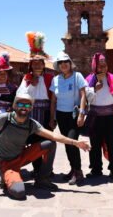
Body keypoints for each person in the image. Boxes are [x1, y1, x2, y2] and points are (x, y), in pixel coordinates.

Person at [17, 31, 55, 178]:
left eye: (40, 63)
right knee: (32, 142)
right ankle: (37, 168)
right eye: (35, 63)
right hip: (30, 115)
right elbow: (21, 96)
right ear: (31, 65)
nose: (37, 65)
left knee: (47, 141)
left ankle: (47, 169)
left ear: (44, 64)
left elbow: (53, 99)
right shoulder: (26, 79)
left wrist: (53, 118)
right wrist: (31, 85)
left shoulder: (50, 77)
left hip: (45, 115)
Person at [49, 51, 87, 185]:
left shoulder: (77, 76)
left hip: (74, 115)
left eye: (66, 62)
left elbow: (83, 95)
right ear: (58, 66)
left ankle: (78, 172)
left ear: (70, 64)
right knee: (67, 143)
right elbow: (53, 100)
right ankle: (73, 170)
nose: (64, 65)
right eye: (61, 63)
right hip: (61, 116)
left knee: (72, 143)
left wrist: (82, 114)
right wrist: (52, 118)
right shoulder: (56, 80)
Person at [85, 52, 113, 180]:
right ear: (94, 67)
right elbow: (86, 99)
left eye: (104, 66)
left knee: (112, 144)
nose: (102, 69)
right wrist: (94, 89)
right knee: (95, 145)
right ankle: (96, 169)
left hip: (111, 117)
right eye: (99, 66)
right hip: (95, 117)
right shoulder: (89, 80)